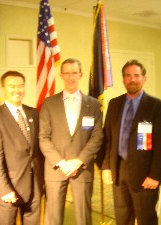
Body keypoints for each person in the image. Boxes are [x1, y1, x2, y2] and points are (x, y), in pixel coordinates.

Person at [101, 59, 161, 225]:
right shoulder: (114, 104)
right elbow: (108, 138)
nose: (132, 79)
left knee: (146, 218)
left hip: (145, 173)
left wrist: (155, 175)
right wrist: (106, 166)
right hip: (119, 169)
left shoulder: (156, 106)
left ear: (144, 79)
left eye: (137, 75)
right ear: (123, 79)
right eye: (128, 76)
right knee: (122, 217)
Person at [39, 58, 103, 225]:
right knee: (53, 216)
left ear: (80, 75)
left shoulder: (94, 104)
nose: (70, 77)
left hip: (82, 167)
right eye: (66, 73)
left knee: (83, 216)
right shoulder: (49, 103)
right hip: (55, 168)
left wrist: (79, 161)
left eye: (74, 72)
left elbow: (97, 137)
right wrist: (62, 163)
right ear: (61, 75)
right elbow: (43, 138)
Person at [0, 71, 44, 225]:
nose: (17, 90)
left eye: (21, 85)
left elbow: (38, 150)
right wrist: (4, 189)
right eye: (12, 86)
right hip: (9, 187)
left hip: (34, 184)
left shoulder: (33, 113)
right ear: (3, 88)